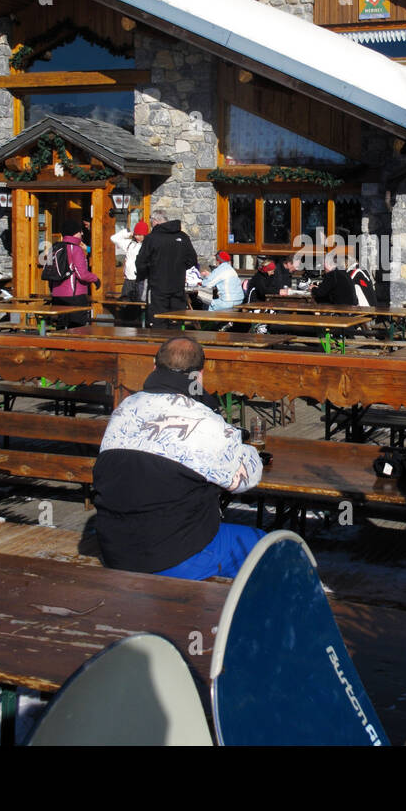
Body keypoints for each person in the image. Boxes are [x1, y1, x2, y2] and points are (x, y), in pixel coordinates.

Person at [93, 337, 264, 579]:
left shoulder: (125, 408)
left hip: (114, 548)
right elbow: (244, 480)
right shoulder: (206, 421)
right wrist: (246, 447)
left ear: (154, 368)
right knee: (274, 549)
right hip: (175, 555)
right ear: (200, 376)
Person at [136, 211, 197, 327]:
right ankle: (177, 344)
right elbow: (192, 260)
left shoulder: (152, 238)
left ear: (155, 222)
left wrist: (147, 273)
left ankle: (159, 344)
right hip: (177, 286)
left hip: (157, 287)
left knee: (158, 322)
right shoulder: (182, 237)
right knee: (176, 321)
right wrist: (179, 269)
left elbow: (140, 263)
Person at [47, 217, 100, 328]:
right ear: (74, 233)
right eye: (79, 231)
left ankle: (57, 345)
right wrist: (95, 279)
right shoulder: (76, 249)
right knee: (77, 327)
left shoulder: (54, 248)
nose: (82, 233)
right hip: (74, 294)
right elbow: (82, 274)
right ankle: (74, 346)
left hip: (57, 295)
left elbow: (50, 272)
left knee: (61, 326)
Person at [121, 220, 149, 301]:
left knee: (139, 302)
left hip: (139, 279)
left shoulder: (146, 246)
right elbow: (114, 238)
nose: (137, 237)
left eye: (140, 235)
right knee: (125, 302)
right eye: (136, 234)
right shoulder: (130, 244)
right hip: (128, 278)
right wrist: (129, 233)